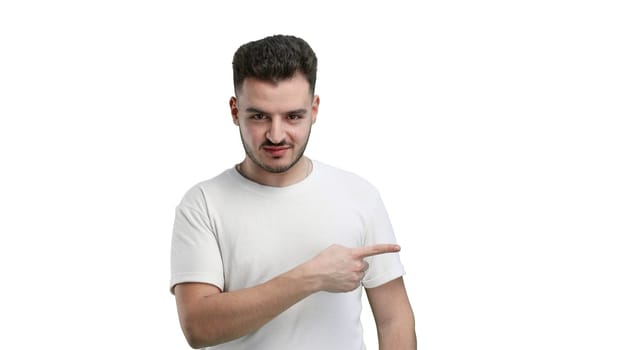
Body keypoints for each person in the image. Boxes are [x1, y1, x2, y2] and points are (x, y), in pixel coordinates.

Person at [170, 34, 416, 349]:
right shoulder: (203, 204)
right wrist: (312, 277)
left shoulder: (358, 195)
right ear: (235, 111)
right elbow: (199, 327)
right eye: (259, 116)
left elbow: (394, 317)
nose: (276, 134)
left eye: (293, 117)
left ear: (314, 110)